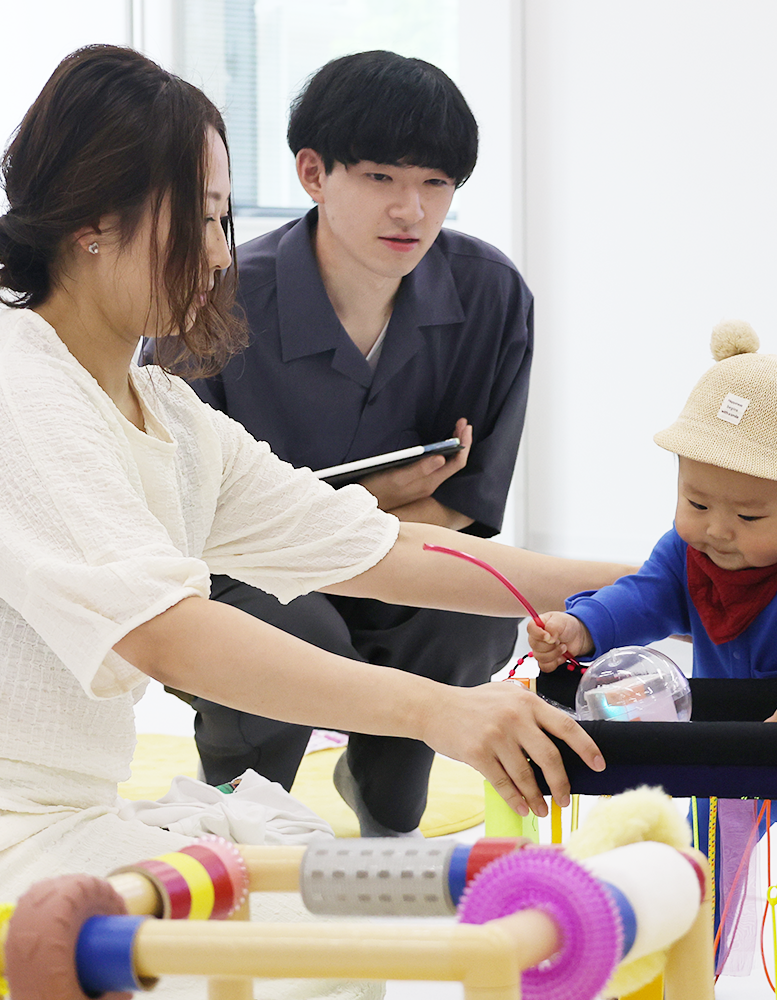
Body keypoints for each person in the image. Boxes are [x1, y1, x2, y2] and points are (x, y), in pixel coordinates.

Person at [0, 45, 628, 1000]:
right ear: (93, 220)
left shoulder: (165, 412)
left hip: (61, 818)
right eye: (199, 218)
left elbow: (379, 546)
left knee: (338, 947)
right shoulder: (14, 391)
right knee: (301, 970)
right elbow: (168, 633)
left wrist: (654, 582)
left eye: (225, 219)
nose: (222, 252)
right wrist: (438, 710)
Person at [177, 50, 531, 838]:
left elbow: (467, 503)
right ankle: (236, 800)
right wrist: (378, 498)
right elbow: (183, 517)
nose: (412, 209)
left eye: (436, 182)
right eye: (380, 177)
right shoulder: (214, 296)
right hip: (241, 577)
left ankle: (389, 784)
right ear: (313, 173)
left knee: (473, 613)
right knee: (293, 626)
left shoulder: (492, 293)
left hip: (391, 562)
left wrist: (362, 522)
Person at [526, 321, 777, 988]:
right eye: (696, 502)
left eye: (748, 517)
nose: (716, 530)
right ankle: (690, 975)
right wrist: (581, 626)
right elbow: (643, 595)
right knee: (703, 871)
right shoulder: (685, 552)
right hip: (729, 746)